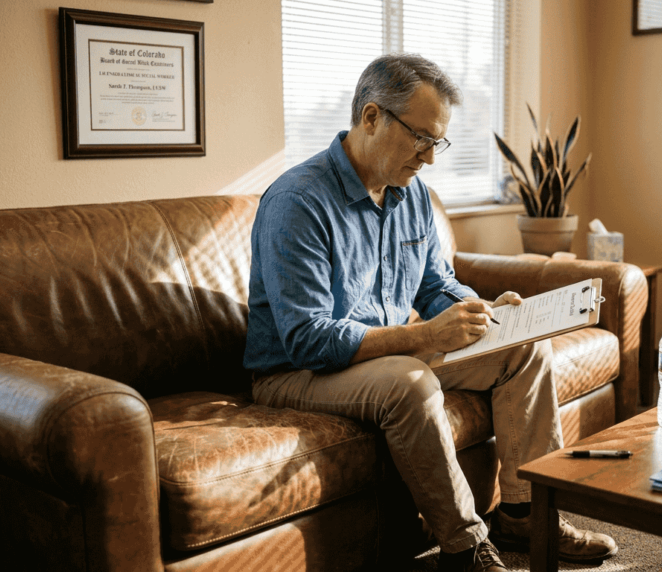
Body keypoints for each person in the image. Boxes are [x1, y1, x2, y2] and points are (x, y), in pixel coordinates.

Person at [244, 53, 617, 572]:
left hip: (384, 353)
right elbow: (307, 338)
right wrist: (422, 338)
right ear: (371, 118)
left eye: (436, 141)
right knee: (411, 380)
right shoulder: (298, 202)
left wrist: (477, 309)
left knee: (522, 349)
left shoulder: (412, 192)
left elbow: (432, 284)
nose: (430, 158)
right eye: (421, 137)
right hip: (296, 372)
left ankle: (525, 515)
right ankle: (464, 549)